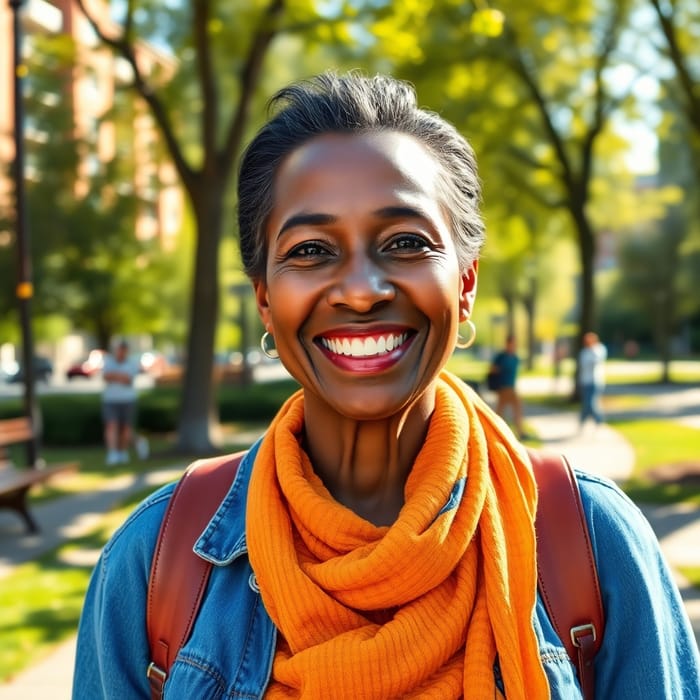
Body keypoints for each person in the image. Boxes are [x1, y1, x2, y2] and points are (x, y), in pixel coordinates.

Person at [73, 72, 700, 698]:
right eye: (312, 250)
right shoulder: (154, 565)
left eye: (405, 242)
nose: (362, 290)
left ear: (465, 283)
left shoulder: (590, 543)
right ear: (266, 300)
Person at [101, 339, 140, 465]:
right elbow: (106, 376)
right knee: (111, 425)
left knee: (125, 427)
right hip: (110, 399)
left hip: (127, 399)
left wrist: (115, 376)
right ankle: (112, 453)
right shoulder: (108, 361)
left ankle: (122, 452)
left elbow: (128, 379)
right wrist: (120, 376)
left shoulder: (132, 362)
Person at [489, 334, 527, 439]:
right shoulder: (502, 357)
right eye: (512, 343)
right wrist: (500, 370)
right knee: (509, 409)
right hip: (503, 387)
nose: (513, 346)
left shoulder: (515, 357)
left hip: (511, 387)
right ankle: (517, 432)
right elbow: (492, 369)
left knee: (505, 410)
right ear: (507, 344)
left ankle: (498, 432)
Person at [578, 331, 607, 430]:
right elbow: (584, 365)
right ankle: (582, 421)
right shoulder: (584, 352)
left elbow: (597, 360)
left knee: (591, 403)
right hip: (585, 381)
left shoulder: (599, 349)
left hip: (595, 381)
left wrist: (593, 348)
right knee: (586, 403)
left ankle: (598, 421)